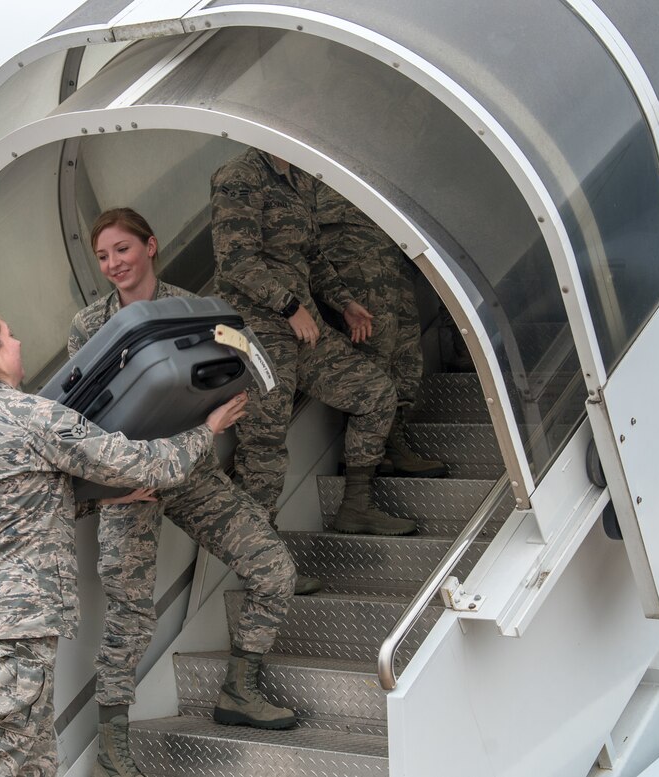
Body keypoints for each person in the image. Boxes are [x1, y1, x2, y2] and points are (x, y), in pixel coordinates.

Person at [0, 302, 247, 777]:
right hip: (18, 619)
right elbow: (138, 463)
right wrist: (208, 430)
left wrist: (102, 503)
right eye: (9, 335)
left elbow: (17, 504)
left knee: (34, 760)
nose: (19, 343)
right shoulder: (33, 416)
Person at [72, 208, 303, 777]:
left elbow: (237, 366)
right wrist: (106, 490)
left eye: (122, 250)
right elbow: (79, 418)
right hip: (130, 485)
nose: (113, 265)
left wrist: (227, 412)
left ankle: (238, 692)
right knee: (130, 612)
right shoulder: (88, 326)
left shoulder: (193, 312)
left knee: (273, 566)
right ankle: (112, 737)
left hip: (192, 468)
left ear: (151, 246)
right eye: (103, 257)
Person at [209, 147, 417, 536]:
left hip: (304, 330)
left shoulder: (300, 176)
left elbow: (314, 257)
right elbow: (234, 261)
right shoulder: (240, 175)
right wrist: (288, 306)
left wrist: (346, 303)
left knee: (376, 393)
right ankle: (265, 561)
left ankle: (356, 507)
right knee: (263, 446)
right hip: (256, 334)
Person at [314, 182, 447, 478]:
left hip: (386, 224)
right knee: (376, 339)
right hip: (348, 224)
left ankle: (391, 440)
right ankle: (369, 451)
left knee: (405, 342)